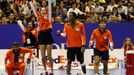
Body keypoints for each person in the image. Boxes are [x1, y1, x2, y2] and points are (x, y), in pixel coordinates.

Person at [29, 1, 54, 75]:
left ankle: (51, 71)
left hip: (48, 35)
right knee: (43, 56)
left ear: (46, 11)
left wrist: (49, 1)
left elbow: (50, 8)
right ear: (40, 11)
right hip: (41, 36)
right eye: (42, 10)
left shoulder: (48, 16)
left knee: (49, 55)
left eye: (44, 10)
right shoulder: (38, 16)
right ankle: (45, 70)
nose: (43, 11)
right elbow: (34, 9)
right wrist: (30, 2)